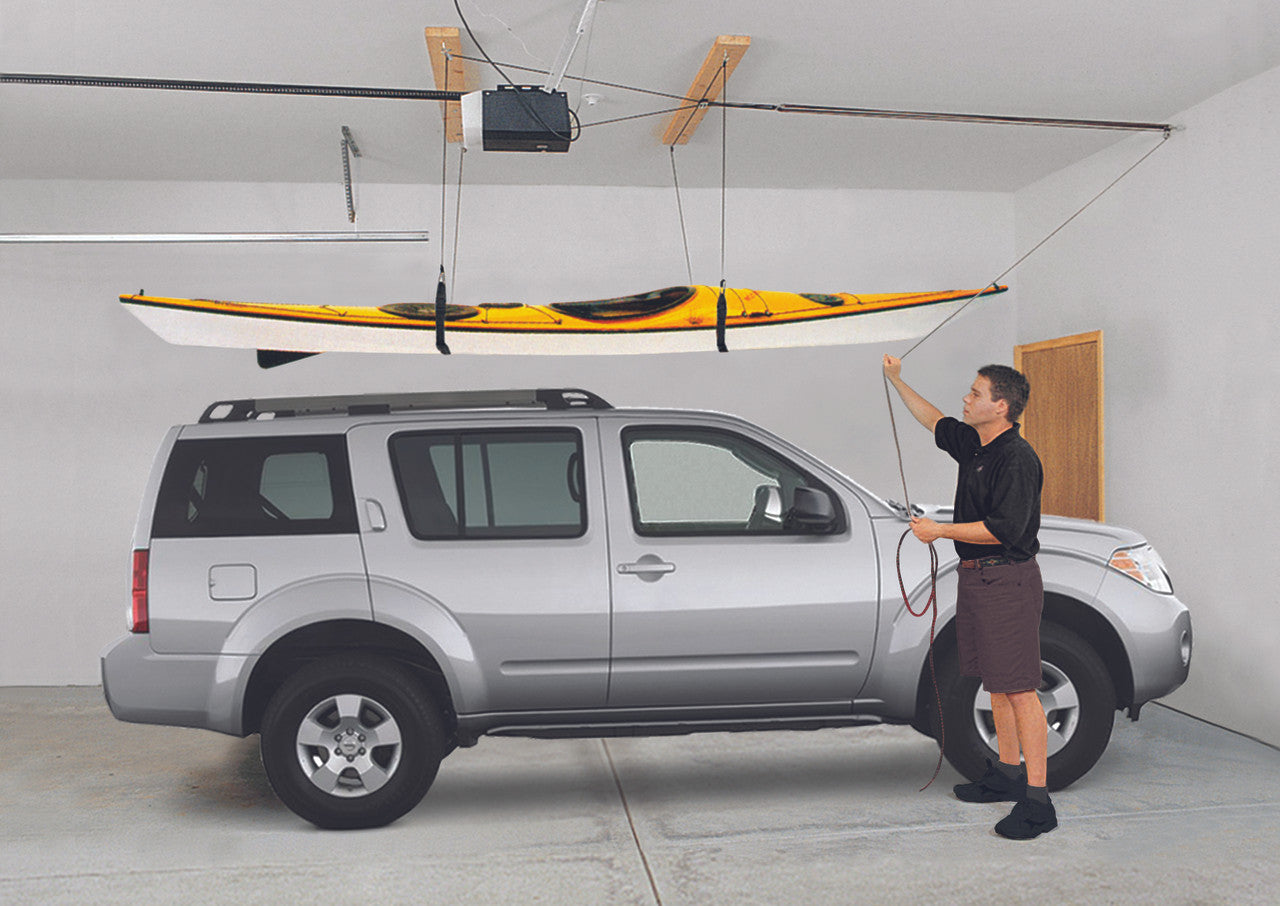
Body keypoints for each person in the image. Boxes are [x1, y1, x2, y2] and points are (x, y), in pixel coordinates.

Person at [882, 354, 1056, 840]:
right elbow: (933, 419)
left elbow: (1005, 529)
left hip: (1009, 581)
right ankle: (1005, 774)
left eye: (976, 393)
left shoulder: (1017, 460)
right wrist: (897, 380)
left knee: (1020, 688)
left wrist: (939, 530)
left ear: (1000, 406)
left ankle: (1038, 804)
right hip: (978, 579)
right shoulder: (975, 445)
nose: (966, 398)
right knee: (997, 684)